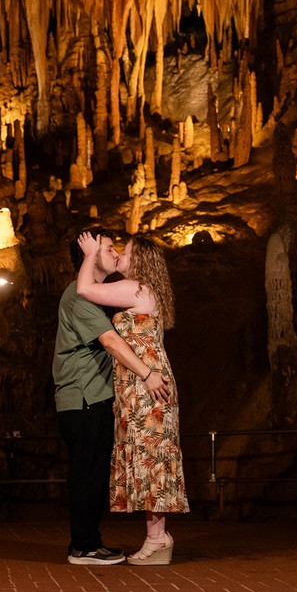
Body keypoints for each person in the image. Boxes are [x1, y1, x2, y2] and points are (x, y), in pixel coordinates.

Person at [53, 228, 171, 565]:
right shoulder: (80, 295)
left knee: (98, 469)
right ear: (89, 255)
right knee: (88, 472)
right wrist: (147, 374)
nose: (116, 252)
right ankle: (85, 546)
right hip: (83, 396)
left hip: (96, 395)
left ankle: (97, 541)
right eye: (108, 247)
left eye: (120, 248)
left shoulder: (105, 293)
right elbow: (111, 341)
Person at [76, 231, 188, 565]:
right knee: (148, 456)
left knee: (150, 457)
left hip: (146, 382)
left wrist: (90, 254)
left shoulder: (135, 288)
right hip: (145, 380)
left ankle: (158, 539)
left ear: (139, 260)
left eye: (127, 251)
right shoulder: (143, 290)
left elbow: (84, 290)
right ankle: (157, 537)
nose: (120, 254)